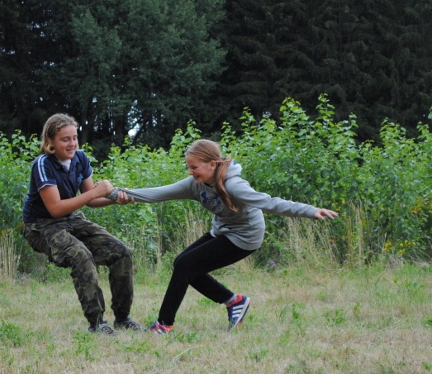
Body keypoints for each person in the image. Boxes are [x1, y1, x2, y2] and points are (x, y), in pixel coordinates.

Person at [122, 139, 338, 334]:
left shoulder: (234, 186)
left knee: (185, 265)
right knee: (183, 264)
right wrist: (116, 193)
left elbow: (270, 203)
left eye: (194, 167)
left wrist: (311, 211)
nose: (190, 172)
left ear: (212, 164)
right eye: (188, 167)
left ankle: (164, 325)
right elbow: (157, 193)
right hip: (222, 231)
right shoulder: (195, 185)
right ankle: (234, 301)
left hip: (245, 237)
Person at [21, 113, 142, 335]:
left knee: (120, 251)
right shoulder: (42, 164)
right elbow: (55, 208)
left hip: (71, 218)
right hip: (41, 226)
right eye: (65, 139)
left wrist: (115, 200)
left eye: (74, 138)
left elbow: (91, 200)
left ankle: (123, 318)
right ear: (50, 141)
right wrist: (95, 192)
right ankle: (97, 323)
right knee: (81, 255)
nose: (72, 144)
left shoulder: (80, 158)